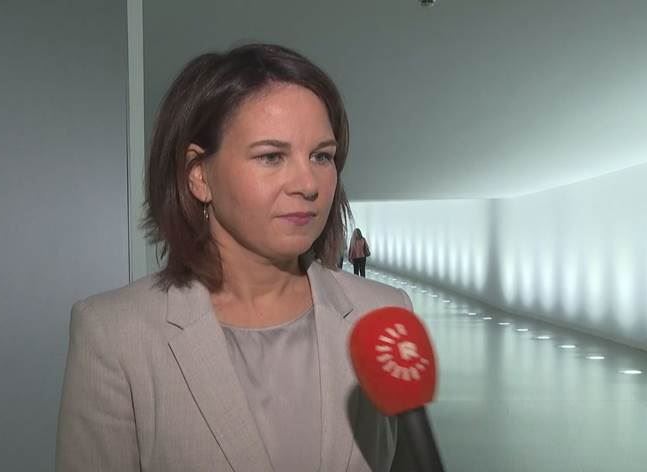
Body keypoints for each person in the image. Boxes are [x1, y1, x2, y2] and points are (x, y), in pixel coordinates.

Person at [56, 43, 414, 472]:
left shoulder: (384, 315)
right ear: (199, 175)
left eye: (322, 156)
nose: (308, 184)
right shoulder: (115, 335)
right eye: (271, 156)